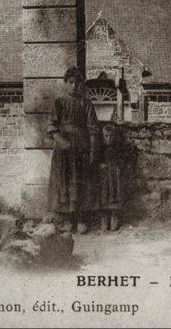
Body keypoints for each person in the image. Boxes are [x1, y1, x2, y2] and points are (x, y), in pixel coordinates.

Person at [47, 66, 99, 234]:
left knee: (82, 182)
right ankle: (68, 219)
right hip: (64, 150)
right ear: (66, 83)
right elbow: (52, 128)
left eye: (77, 83)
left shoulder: (87, 103)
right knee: (65, 181)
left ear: (81, 84)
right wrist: (63, 142)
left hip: (82, 149)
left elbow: (93, 129)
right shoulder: (59, 102)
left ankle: (81, 218)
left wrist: (92, 151)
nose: (74, 86)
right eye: (70, 83)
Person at [94, 122, 126, 231]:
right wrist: (99, 165)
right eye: (106, 136)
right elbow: (96, 159)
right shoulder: (100, 149)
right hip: (103, 176)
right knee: (103, 194)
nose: (109, 139)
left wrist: (119, 166)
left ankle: (114, 216)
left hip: (114, 175)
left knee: (115, 193)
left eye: (111, 136)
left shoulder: (118, 148)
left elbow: (123, 159)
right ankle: (104, 218)